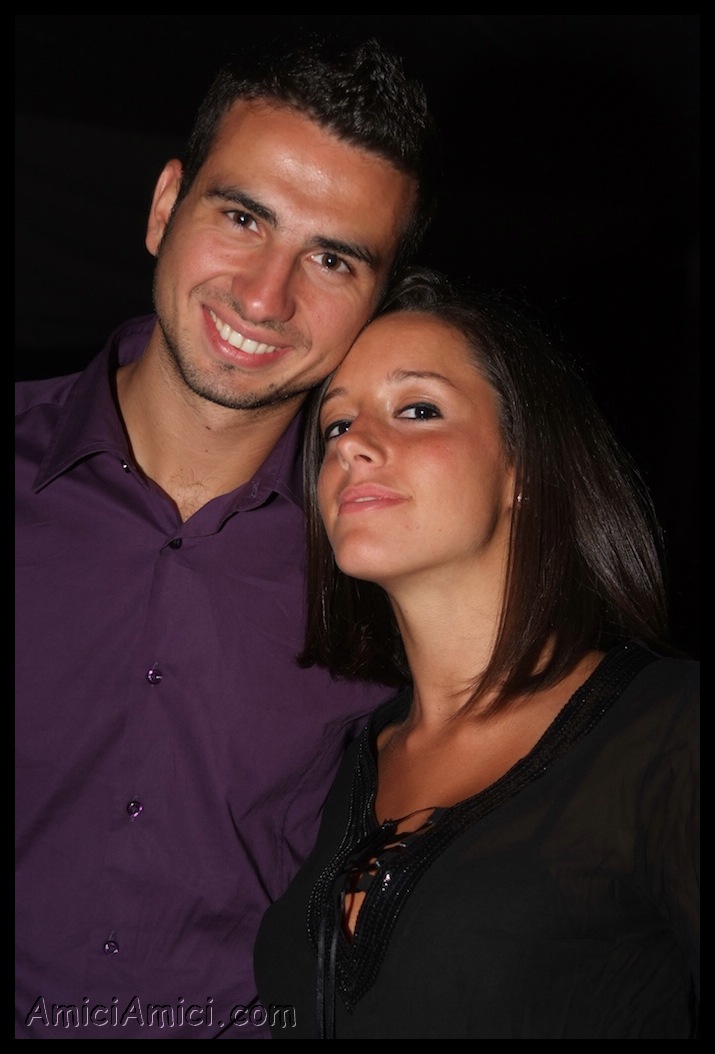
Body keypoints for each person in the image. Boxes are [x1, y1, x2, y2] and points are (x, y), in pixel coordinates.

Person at [15, 37, 440, 1039]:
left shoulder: (399, 564)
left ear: (378, 301)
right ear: (165, 205)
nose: (263, 296)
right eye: (243, 217)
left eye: (331, 259)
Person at [254, 268, 700, 1039]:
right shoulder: (352, 757)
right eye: (334, 425)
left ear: (521, 468)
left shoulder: (669, 729)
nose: (351, 443)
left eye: (417, 409)